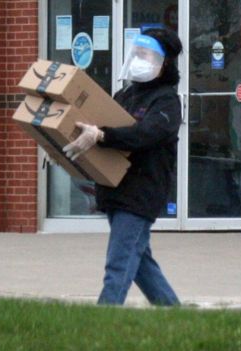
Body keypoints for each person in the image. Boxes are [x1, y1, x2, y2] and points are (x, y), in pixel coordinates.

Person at [62, 28, 183, 306]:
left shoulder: (167, 101)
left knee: (119, 263)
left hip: (140, 193)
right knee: (139, 263)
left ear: (163, 62)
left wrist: (103, 135)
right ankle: (175, 314)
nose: (138, 59)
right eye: (136, 53)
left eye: (145, 54)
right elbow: (102, 119)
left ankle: (105, 317)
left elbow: (145, 134)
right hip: (116, 189)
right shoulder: (125, 94)